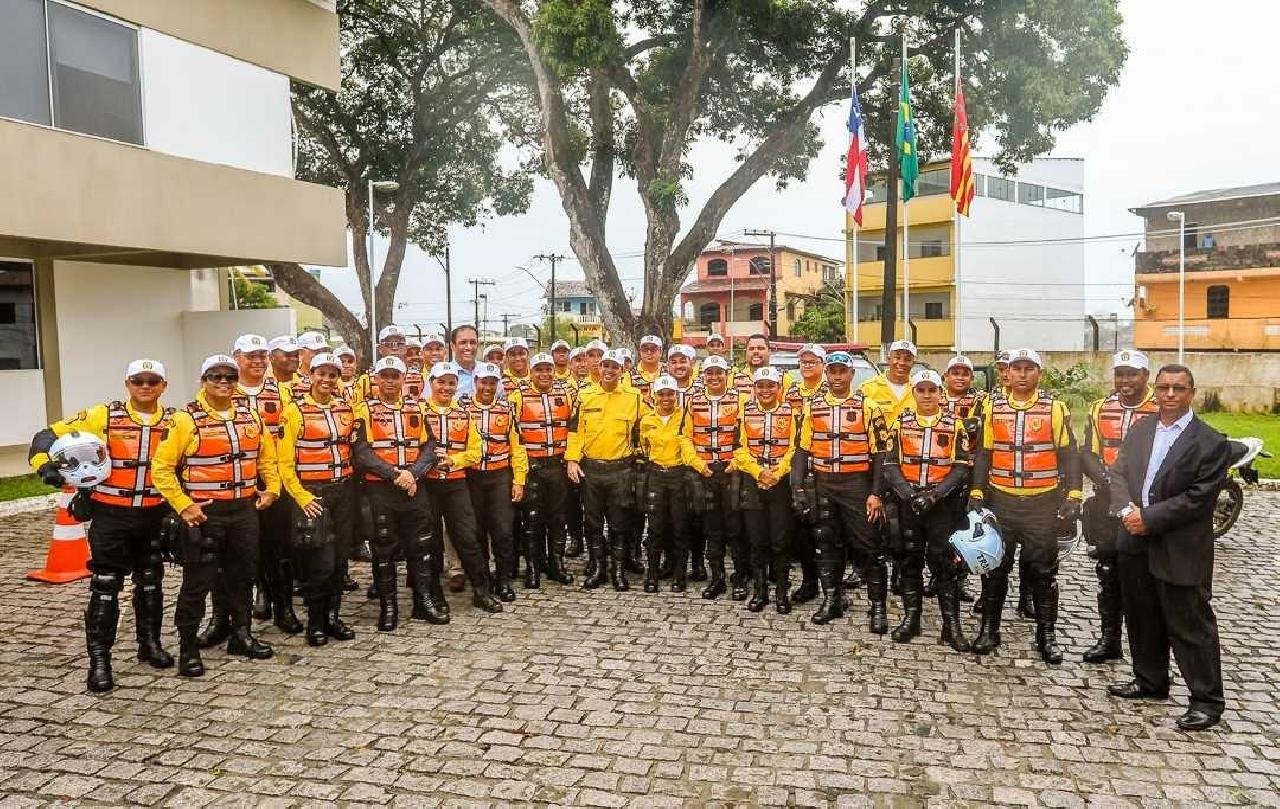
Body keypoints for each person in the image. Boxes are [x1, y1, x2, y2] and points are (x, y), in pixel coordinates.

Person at [28, 359, 177, 692]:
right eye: (138, 380)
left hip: (155, 514)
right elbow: (45, 436)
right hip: (111, 515)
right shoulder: (102, 416)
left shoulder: (175, 420)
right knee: (106, 585)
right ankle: (99, 660)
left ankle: (149, 644)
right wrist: (46, 468)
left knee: (152, 581)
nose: (145, 386)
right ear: (127, 383)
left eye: (153, 381)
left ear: (163, 386)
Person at [1106, 363, 1230, 731]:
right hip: (1134, 538)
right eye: (1164, 388)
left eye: (1179, 388)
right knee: (1141, 615)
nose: (1170, 395)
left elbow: (1198, 498)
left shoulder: (1210, 442)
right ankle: (1150, 680)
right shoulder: (1142, 430)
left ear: (1191, 392)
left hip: (1179, 545)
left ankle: (1206, 701)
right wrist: (1128, 510)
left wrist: (1150, 517)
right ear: (1155, 391)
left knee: (1190, 624)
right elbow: (1118, 472)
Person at [151, 355, 280, 677]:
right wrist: (184, 505)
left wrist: (272, 489)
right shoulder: (185, 420)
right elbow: (162, 468)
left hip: (244, 510)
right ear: (203, 380)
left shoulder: (251, 416)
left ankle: (241, 635)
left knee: (243, 576)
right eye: (215, 376)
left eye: (229, 377)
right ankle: (188, 649)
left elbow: (266, 459)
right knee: (197, 581)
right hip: (206, 513)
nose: (223, 382)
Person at [968, 348, 1081, 664]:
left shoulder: (1054, 409)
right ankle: (989, 629)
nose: (1021, 374)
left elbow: (1070, 454)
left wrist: (1074, 494)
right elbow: (984, 454)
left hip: (1041, 505)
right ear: (1009, 372)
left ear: (1038, 373)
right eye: (1016, 368)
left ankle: (1047, 635)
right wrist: (977, 491)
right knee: (994, 570)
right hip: (1001, 503)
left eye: (1028, 368)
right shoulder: (993, 408)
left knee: (1043, 573)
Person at [794, 351, 891, 628]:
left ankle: (877, 606)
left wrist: (876, 493)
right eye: (833, 371)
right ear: (827, 373)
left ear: (851, 374)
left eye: (842, 371)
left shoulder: (869, 406)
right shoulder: (813, 407)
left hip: (857, 486)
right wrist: (798, 487)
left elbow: (881, 454)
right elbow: (802, 449)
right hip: (825, 484)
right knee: (825, 543)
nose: (837, 376)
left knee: (870, 546)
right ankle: (832, 599)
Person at [881, 369, 973, 651]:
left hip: (941, 505)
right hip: (909, 503)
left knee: (944, 563)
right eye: (921, 390)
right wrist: (909, 495)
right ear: (914, 393)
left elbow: (961, 468)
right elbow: (890, 464)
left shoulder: (954, 424)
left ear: (940, 393)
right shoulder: (901, 423)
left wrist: (934, 496)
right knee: (909, 560)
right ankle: (912, 617)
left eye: (932, 390)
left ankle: (951, 625)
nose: (926, 395)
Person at [352, 357, 444, 628]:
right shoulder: (364, 410)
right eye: (385, 376)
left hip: (414, 487)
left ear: (404, 379)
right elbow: (362, 453)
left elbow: (430, 447)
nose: (390, 381)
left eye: (396, 376)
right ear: (376, 379)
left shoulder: (417, 408)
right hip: (381, 489)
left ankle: (423, 602)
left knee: (421, 546)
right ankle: (388, 607)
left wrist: (413, 474)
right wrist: (396, 475)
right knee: (384, 549)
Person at [1081, 350, 1158, 664]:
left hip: (1148, 505)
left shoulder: (1159, 408)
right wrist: (1106, 479)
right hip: (1108, 504)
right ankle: (1109, 640)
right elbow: (1087, 452)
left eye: (1132, 374)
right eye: (1120, 374)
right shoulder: (1100, 408)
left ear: (1146, 376)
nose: (1126, 381)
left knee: (1145, 578)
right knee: (1108, 573)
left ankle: (1149, 650)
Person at [276, 353, 358, 645]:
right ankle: (315, 622)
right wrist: (301, 497)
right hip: (313, 492)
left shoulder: (345, 409)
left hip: (343, 490)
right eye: (320, 374)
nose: (326, 380)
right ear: (310, 375)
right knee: (319, 561)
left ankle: (333, 617)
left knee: (339, 560)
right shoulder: (294, 411)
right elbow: (284, 463)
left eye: (332, 375)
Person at [226, 334, 301, 639]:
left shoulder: (281, 391)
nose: (257, 362)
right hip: (239, 479)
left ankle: (284, 606)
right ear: (237, 357)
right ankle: (256, 597)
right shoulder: (224, 389)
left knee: (279, 544)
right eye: (250, 356)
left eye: (261, 356)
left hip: (274, 477)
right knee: (244, 545)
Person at [420, 361, 504, 612]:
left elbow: (476, 451)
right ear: (431, 383)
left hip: (456, 483)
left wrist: (454, 461)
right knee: (431, 540)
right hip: (428, 485)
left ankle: (481, 590)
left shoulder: (464, 414)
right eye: (441, 382)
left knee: (467, 537)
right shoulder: (420, 411)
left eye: (451, 382)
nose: (446, 387)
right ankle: (433, 594)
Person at [566, 349, 645, 591]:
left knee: (620, 523)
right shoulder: (585, 395)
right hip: (591, 470)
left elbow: (646, 427)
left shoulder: (634, 397)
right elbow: (575, 430)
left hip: (621, 470)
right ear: (599, 368)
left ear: (623, 371)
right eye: (605, 366)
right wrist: (572, 460)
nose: (609, 371)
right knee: (593, 522)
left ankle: (618, 570)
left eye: (615, 367)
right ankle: (598, 566)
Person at [681, 355, 748, 600]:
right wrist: (698, 464)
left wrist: (736, 462)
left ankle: (740, 578)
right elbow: (685, 438)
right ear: (703, 375)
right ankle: (717, 577)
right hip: (705, 471)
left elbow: (747, 436)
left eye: (719, 372)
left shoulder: (741, 400)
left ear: (726, 373)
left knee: (736, 528)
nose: (714, 377)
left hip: (732, 472)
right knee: (712, 528)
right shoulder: (694, 402)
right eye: (710, 373)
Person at [510, 353, 576, 588]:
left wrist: (572, 459)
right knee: (532, 520)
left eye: (549, 369)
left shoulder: (566, 394)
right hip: (532, 468)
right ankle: (533, 567)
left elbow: (574, 429)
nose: (545, 374)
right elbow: (513, 436)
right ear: (531, 371)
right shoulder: (517, 397)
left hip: (557, 466)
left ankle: (556, 563)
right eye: (539, 369)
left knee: (558, 518)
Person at [734, 367, 797, 614]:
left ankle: (782, 591)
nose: (765, 391)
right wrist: (759, 472)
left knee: (780, 541)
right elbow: (738, 448)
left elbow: (795, 449)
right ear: (754, 388)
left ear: (779, 388)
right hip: (753, 481)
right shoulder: (745, 412)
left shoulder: (791, 413)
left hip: (780, 484)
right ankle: (760, 591)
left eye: (771, 386)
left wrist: (777, 473)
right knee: (757, 540)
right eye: (761, 386)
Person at [464, 362, 526, 601]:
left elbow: (517, 448)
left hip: (500, 476)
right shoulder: (463, 409)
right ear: (475, 382)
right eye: (483, 382)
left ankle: (503, 579)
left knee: (503, 531)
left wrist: (519, 480)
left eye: (492, 382)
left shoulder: (507, 410)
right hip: (473, 477)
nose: (487, 387)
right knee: (476, 531)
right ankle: (482, 580)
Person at [638, 375, 694, 593]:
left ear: (676, 395)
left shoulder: (684, 418)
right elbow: (644, 447)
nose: (666, 398)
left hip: (679, 475)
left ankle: (679, 575)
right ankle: (651, 574)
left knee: (680, 528)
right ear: (654, 396)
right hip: (656, 476)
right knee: (655, 528)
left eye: (670, 393)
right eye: (661, 394)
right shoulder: (647, 420)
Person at [783, 343, 828, 604]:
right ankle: (809, 581)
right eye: (804, 361)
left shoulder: (831, 389)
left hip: (826, 468)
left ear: (822, 364)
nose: (807, 365)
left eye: (813, 361)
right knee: (800, 529)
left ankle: (832, 587)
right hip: (796, 465)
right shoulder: (791, 393)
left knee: (827, 531)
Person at [861, 339, 917, 426]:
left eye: (907, 359)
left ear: (913, 363)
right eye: (897, 358)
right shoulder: (868, 389)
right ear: (888, 359)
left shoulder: (920, 389)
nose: (902, 363)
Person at [450, 324, 483, 401]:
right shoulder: (440, 375)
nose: (468, 347)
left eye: (472, 342)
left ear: (477, 345)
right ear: (453, 346)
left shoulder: (489, 372)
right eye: (463, 342)